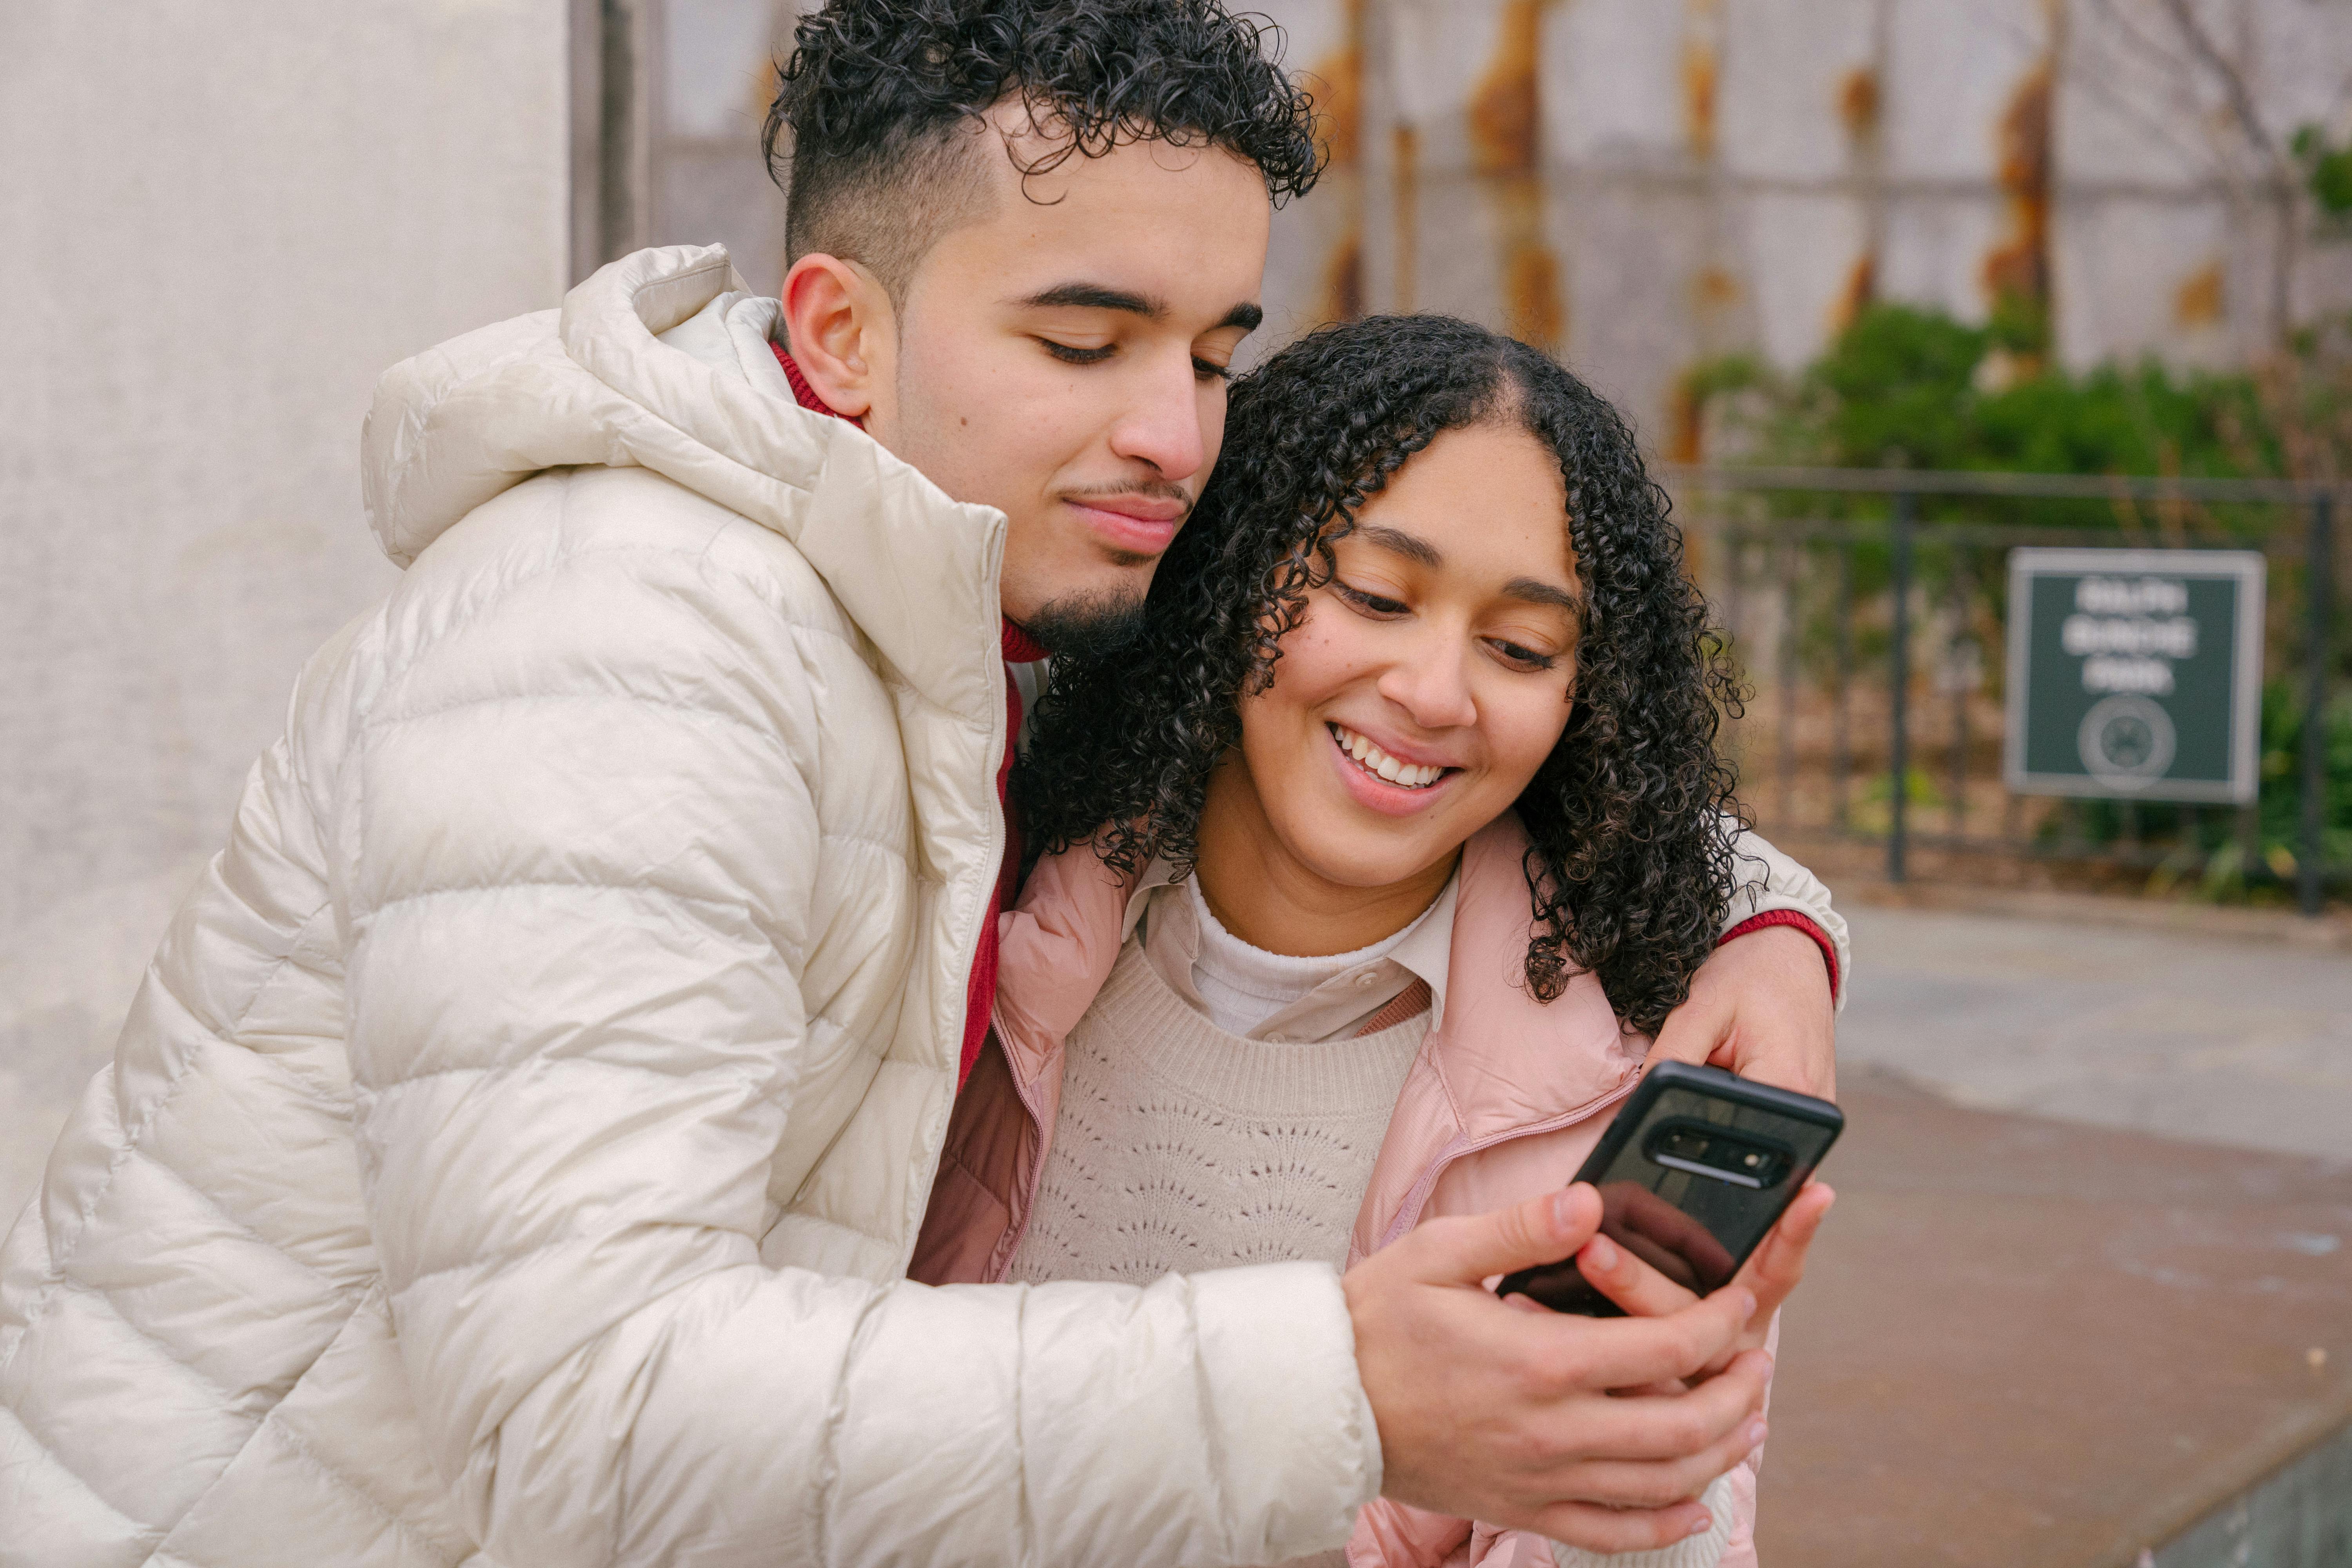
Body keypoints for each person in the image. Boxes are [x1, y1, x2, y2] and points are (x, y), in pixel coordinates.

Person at [0, 4, 1843, 1564]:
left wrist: (1769, 925)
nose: (1174, 433)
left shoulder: (955, 623)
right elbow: (576, 1414)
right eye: (1081, 340)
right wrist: (1345, 1389)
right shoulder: (635, 653)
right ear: (841, 332)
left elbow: (1430, 731)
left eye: (1214, 355)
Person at [913, 313, 1840, 1568]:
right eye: (1375, 595)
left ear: (1585, 702)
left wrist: (1644, 1468)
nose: (1435, 693)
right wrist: (1791, 928)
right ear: (1235, 576)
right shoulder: (984, 890)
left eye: (1519, 648)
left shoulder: (1625, 1103)